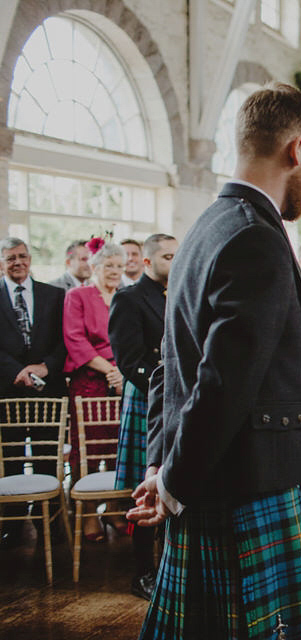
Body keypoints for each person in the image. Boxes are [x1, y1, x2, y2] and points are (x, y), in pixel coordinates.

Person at [126, 83, 301, 639]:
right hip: (245, 489)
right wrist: (172, 482)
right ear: (296, 150)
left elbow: (170, 366)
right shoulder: (256, 237)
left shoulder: (204, 228)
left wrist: (161, 464)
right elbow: (221, 384)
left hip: (213, 480)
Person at [108, 233, 178, 601]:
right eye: (168, 256)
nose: (175, 261)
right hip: (148, 400)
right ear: (148, 262)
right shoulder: (129, 298)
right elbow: (129, 360)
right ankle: (142, 573)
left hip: (179, 399)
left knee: (174, 481)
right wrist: (165, 387)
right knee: (145, 488)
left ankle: (170, 568)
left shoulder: (181, 293)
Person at [0, 237, 67, 549]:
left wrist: (45, 367)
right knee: (11, 456)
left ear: (30, 259)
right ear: (2, 262)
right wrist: (17, 371)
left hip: (48, 387)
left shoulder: (54, 295)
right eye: (11, 258)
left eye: (22, 256)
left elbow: (64, 340)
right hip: (7, 389)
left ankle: (50, 520)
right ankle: (13, 522)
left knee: (48, 453)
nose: (18, 262)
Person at [63, 239, 125, 541]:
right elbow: (75, 338)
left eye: (119, 266)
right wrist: (110, 370)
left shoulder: (126, 297)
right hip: (90, 382)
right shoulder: (78, 296)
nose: (115, 271)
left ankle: (113, 507)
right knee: (87, 448)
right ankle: (87, 514)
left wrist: (123, 372)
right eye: (109, 265)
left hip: (122, 382)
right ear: (95, 266)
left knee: (118, 446)